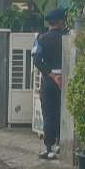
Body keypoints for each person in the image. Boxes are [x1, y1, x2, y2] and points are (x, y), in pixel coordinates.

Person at [32, 9, 67, 160]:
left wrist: (52, 75)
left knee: (49, 114)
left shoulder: (41, 38)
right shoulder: (67, 38)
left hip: (48, 80)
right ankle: (60, 144)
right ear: (60, 22)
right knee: (62, 113)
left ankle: (48, 148)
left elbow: (36, 59)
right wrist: (59, 76)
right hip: (65, 81)